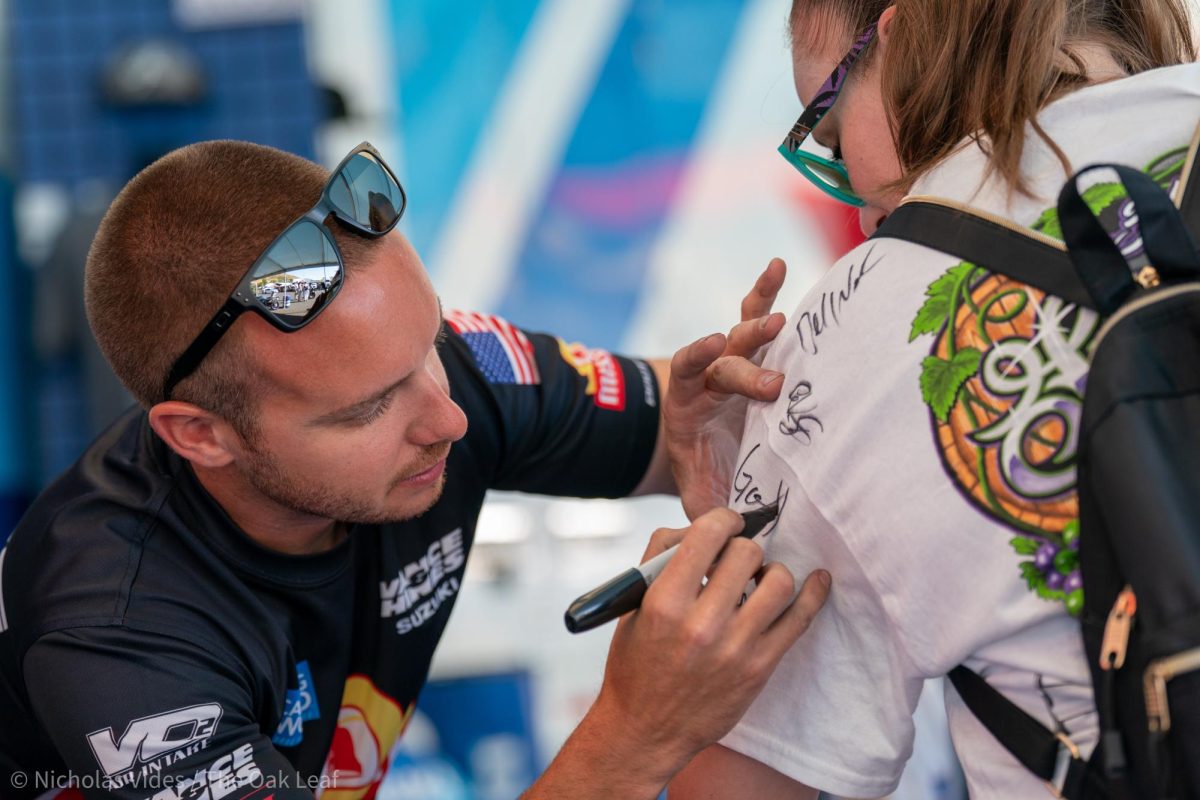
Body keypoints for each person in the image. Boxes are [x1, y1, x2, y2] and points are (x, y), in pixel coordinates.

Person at [0, 140, 830, 799]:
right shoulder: (116, 633)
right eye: (366, 409)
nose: (450, 417)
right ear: (201, 435)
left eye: (430, 342)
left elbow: (687, 426)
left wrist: (705, 427)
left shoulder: (454, 375)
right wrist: (635, 733)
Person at [667, 1, 1200, 798]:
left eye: (830, 133)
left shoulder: (850, 334)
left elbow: (741, 783)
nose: (854, 200)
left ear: (898, 33)